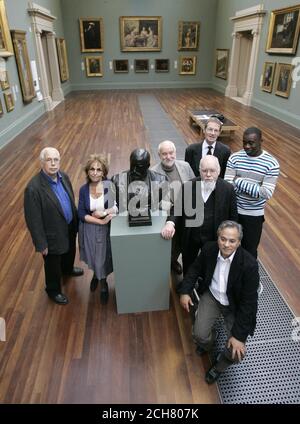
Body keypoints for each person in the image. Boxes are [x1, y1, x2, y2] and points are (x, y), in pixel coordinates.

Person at [178, 220, 259, 384]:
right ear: (218, 238)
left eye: (232, 241)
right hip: (213, 297)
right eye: (223, 239)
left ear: (239, 242)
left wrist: (238, 336)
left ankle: (220, 365)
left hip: (234, 305)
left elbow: (249, 303)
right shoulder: (209, 249)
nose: (226, 244)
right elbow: (194, 269)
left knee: (237, 353)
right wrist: (185, 291)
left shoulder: (249, 265)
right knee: (199, 336)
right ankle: (210, 341)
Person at [24, 147, 84, 305]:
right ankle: (53, 290)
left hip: (69, 226)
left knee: (69, 251)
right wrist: (41, 244)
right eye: (49, 160)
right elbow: (33, 220)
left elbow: (70, 199)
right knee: (52, 264)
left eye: (56, 159)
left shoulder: (63, 176)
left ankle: (67, 269)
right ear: (42, 162)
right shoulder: (33, 188)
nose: (53, 163)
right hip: (51, 234)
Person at [162, 155, 237, 275]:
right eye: (204, 170)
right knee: (188, 263)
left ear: (219, 171)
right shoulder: (188, 186)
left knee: (210, 264)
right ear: (199, 170)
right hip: (191, 235)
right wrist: (170, 223)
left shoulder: (228, 189)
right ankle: (187, 286)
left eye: (212, 171)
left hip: (214, 237)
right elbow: (177, 208)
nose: (208, 174)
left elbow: (233, 217)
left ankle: (204, 285)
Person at [225, 127, 280, 258]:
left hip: (254, 216)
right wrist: (256, 187)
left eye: (251, 143)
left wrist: (238, 181)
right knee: (228, 250)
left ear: (261, 141)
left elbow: (266, 193)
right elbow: (228, 186)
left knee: (249, 252)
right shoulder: (235, 158)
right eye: (244, 142)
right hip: (233, 211)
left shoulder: (271, 163)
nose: (247, 146)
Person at [151, 140, 195, 274]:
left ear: (175, 152)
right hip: (167, 214)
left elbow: (194, 186)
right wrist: (173, 206)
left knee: (184, 239)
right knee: (170, 241)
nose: (168, 156)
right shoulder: (152, 172)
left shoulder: (185, 166)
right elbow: (153, 200)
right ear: (159, 155)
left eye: (171, 153)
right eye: (164, 154)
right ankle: (168, 261)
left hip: (187, 212)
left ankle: (175, 259)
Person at [78, 154, 117, 304]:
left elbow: (116, 207)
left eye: (98, 169)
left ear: (103, 172)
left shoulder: (109, 186)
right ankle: (96, 275)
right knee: (93, 255)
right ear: (87, 171)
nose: (95, 172)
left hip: (107, 227)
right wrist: (98, 221)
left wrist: (104, 213)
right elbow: (81, 212)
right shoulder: (83, 189)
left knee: (102, 256)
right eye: (92, 169)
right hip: (89, 227)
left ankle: (103, 283)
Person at [112, 148, 167, 216]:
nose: (134, 170)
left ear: (148, 166)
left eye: (139, 167)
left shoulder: (161, 181)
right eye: (132, 165)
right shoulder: (116, 181)